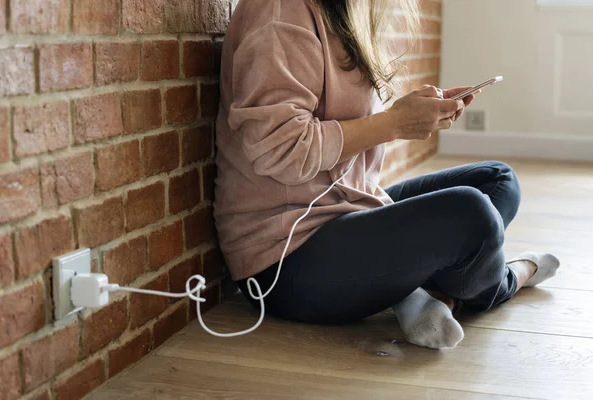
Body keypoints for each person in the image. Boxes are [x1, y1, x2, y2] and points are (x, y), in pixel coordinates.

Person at [213, 0, 560, 349]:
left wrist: (409, 113)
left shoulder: (340, 11)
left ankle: (420, 292)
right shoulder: (281, 12)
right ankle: (509, 277)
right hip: (287, 261)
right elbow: (280, 149)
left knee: (498, 180)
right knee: (472, 213)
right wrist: (394, 124)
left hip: (350, 209)